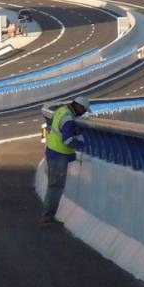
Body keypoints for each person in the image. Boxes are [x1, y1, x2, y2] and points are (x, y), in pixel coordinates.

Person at [41, 96, 90, 225]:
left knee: (53, 186)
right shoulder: (68, 119)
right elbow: (67, 140)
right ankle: (48, 218)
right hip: (59, 155)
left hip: (52, 151)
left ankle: (48, 216)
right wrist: (82, 145)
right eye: (83, 110)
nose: (84, 113)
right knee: (56, 187)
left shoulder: (61, 110)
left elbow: (50, 126)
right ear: (78, 106)